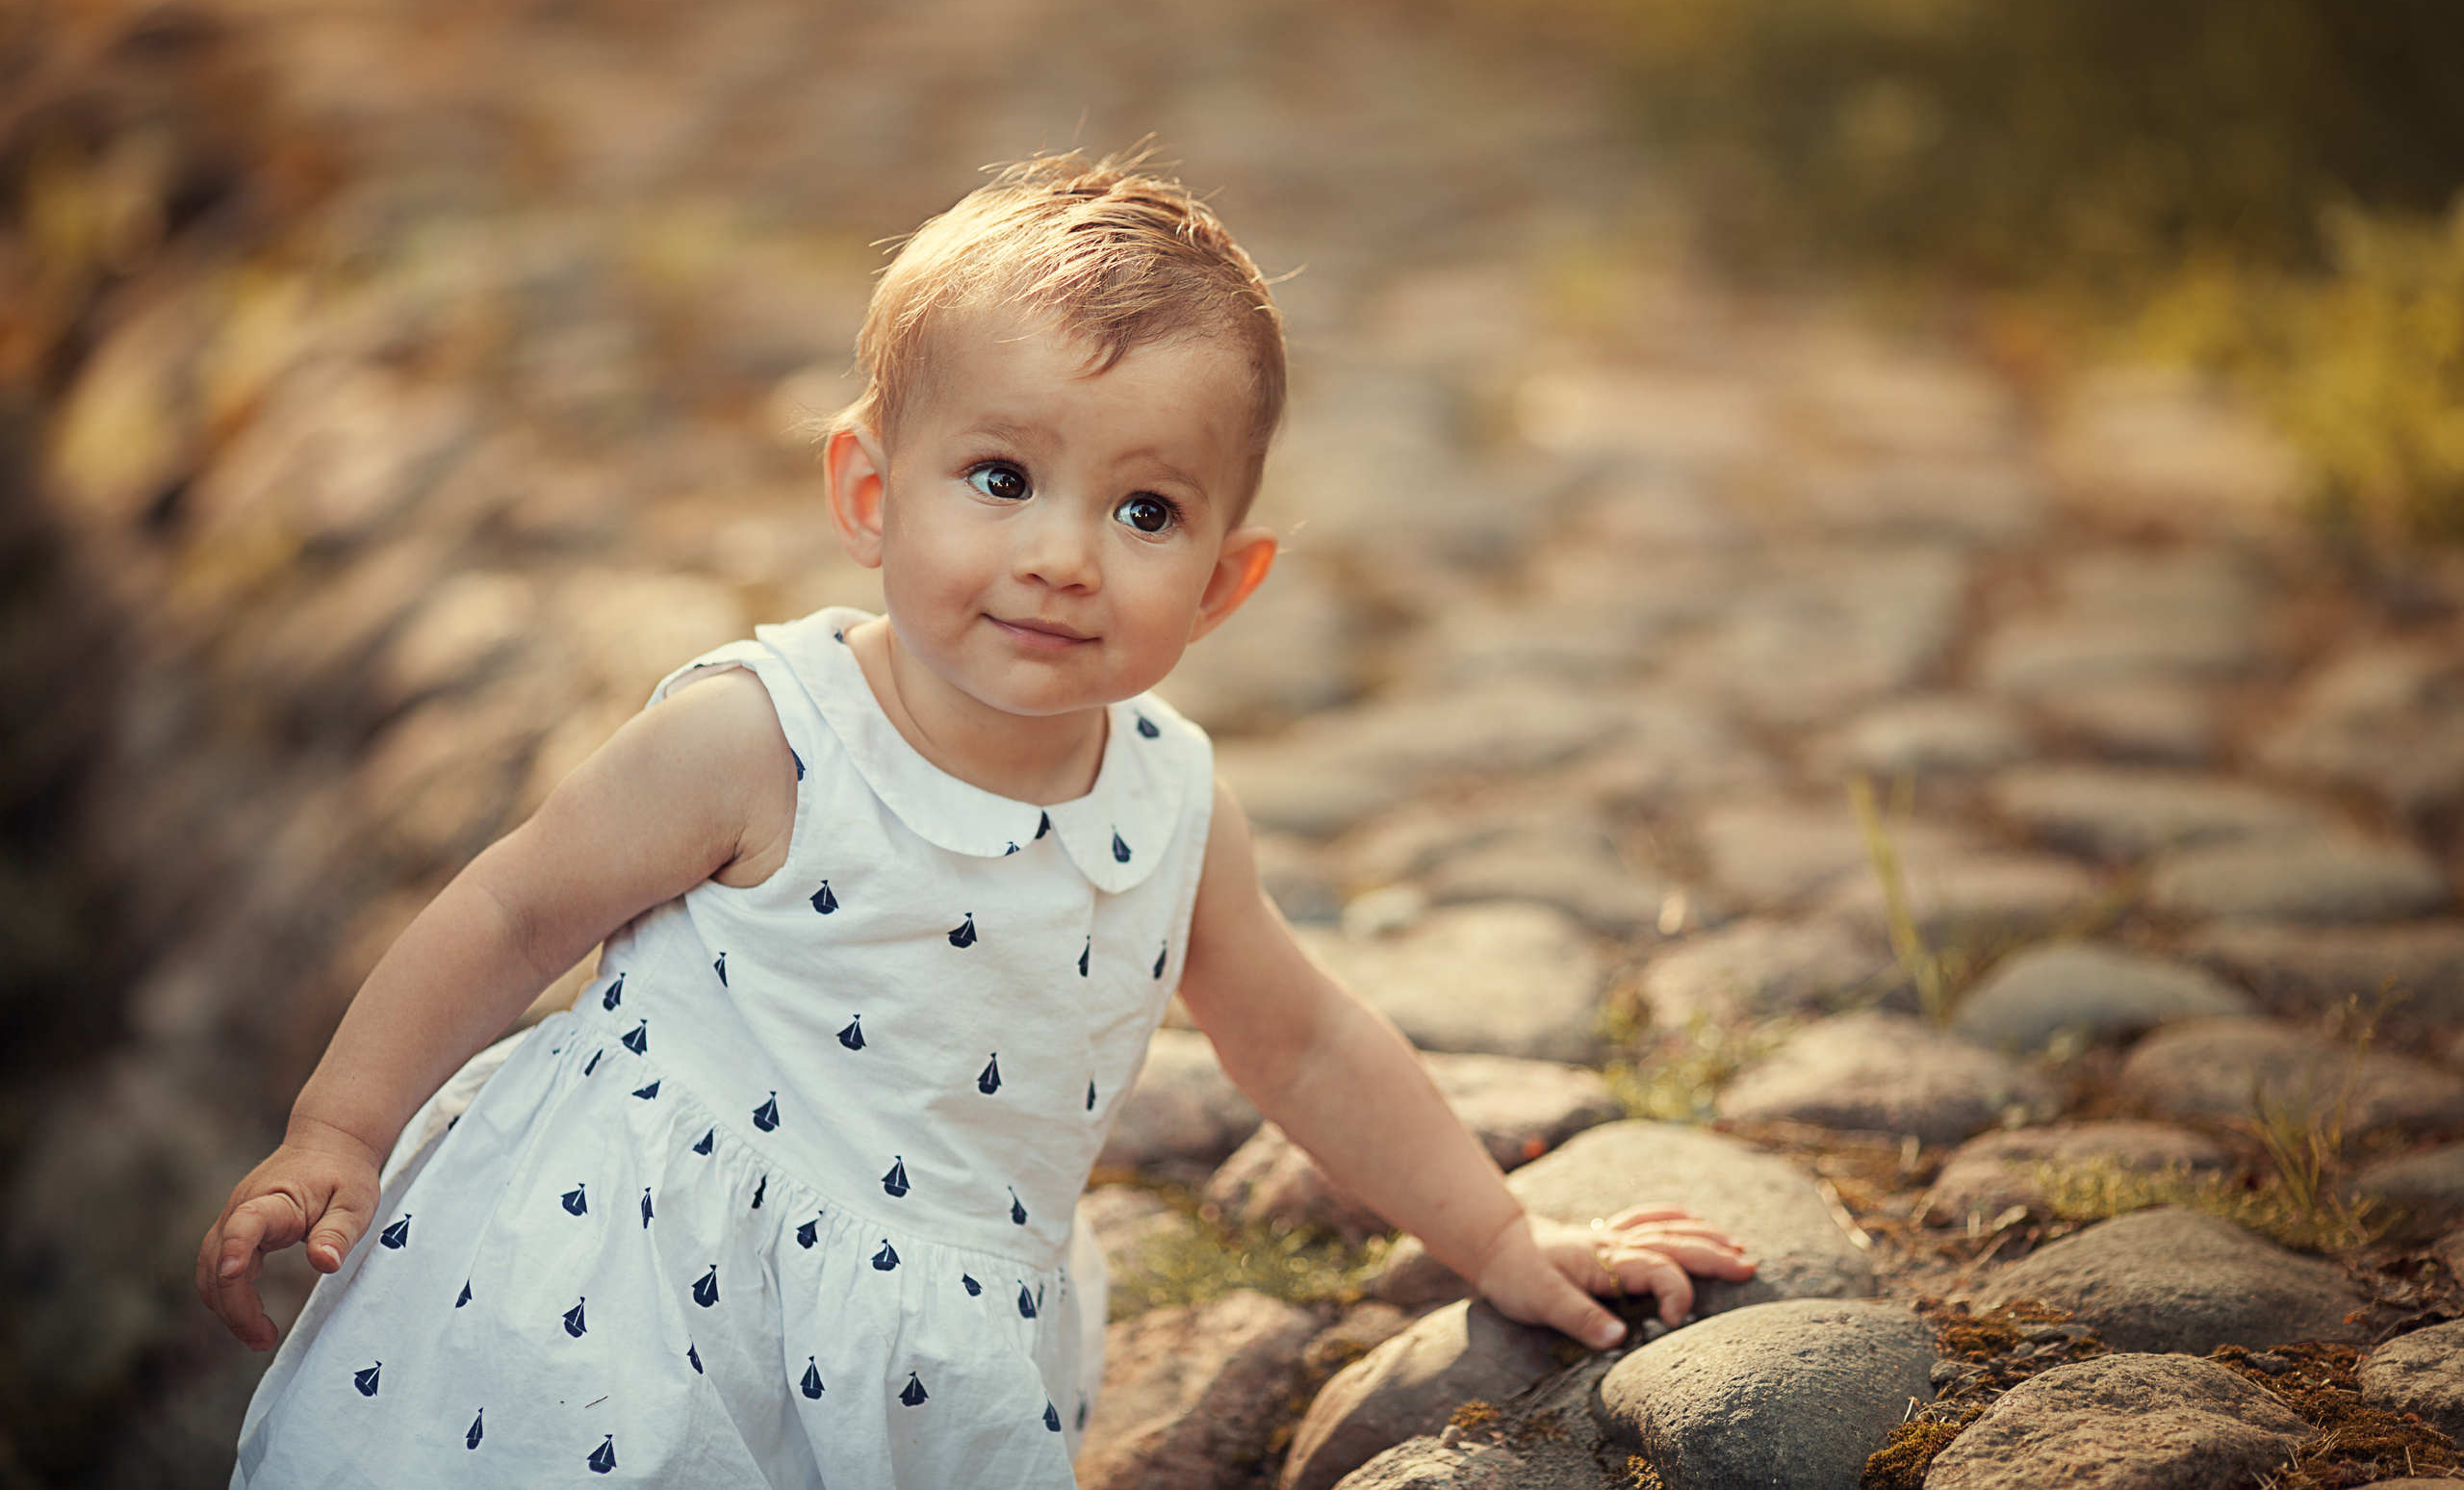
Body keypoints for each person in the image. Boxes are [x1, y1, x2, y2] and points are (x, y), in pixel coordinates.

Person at [199, 152, 1756, 1487]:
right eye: (1000, 476)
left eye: (1144, 511)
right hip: (616, 1287)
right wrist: (343, 1129)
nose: (1065, 555)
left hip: (919, 1337)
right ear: (872, 496)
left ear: (1223, 581)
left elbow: (1307, 1043)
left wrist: (1500, 1241)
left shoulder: (1168, 807)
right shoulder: (762, 741)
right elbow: (511, 914)